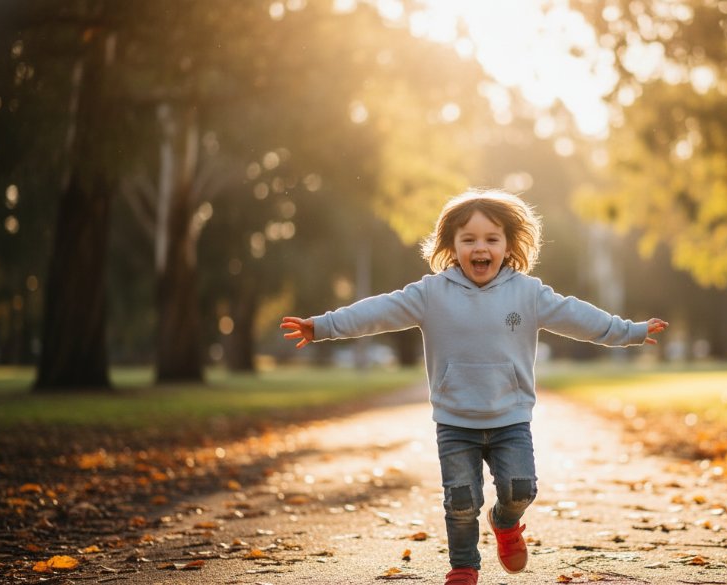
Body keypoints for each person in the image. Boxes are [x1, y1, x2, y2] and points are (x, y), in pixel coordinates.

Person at [281, 189, 667, 585]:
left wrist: (629, 332)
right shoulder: (430, 293)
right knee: (461, 500)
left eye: (491, 239)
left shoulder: (528, 293)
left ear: (508, 245)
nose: (480, 248)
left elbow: (578, 316)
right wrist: (323, 326)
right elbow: (377, 311)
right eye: (468, 240)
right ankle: (464, 566)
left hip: (511, 418)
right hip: (455, 421)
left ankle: (504, 522)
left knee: (521, 489)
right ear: (451, 246)